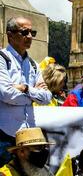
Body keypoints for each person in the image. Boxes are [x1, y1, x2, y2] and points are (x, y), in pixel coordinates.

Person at [0, 17, 52, 166]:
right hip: (5, 136)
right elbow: (6, 94)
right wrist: (34, 96)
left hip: (29, 137)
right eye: (24, 32)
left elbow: (47, 97)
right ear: (10, 35)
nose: (29, 36)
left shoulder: (34, 65)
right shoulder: (2, 59)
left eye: (32, 32)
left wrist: (25, 88)